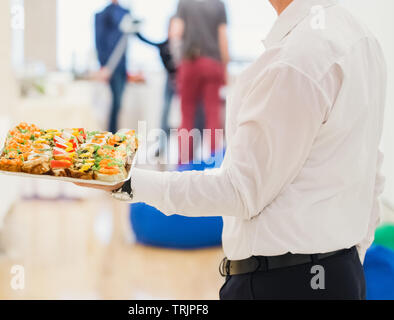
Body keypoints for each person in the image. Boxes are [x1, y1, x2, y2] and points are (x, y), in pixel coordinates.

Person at [79, 0, 387, 300]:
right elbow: (372, 174)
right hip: (340, 275)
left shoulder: (295, 59)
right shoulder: (362, 39)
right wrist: (347, 263)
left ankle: (192, 162)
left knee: (190, 128)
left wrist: (126, 181)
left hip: (281, 284)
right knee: (209, 130)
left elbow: (239, 189)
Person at [173, 0, 229, 163]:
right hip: (213, 64)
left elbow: (176, 33)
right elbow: (222, 38)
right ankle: (214, 162)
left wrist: (179, 61)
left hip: (189, 63)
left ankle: (184, 163)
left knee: (187, 114)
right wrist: (224, 67)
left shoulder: (184, 3)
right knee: (213, 114)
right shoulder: (218, 4)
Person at [136, 17, 179, 156]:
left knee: (186, 115)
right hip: (170, 81)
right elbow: (146, 41)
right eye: (173, 27)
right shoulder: (164, 45)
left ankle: (188, 149)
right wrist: (136, 30)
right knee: (165, 113)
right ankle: (161, 146)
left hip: (184, 82)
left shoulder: (185, 47)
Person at [95, 0, 130, 133]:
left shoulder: (126, 13)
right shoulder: (102, 15)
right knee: (111, 104)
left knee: (118, 104)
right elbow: (98, 40)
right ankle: (110, 135)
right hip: (109, 67)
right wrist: (103, 65)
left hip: (121, 66)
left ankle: (113, 135)